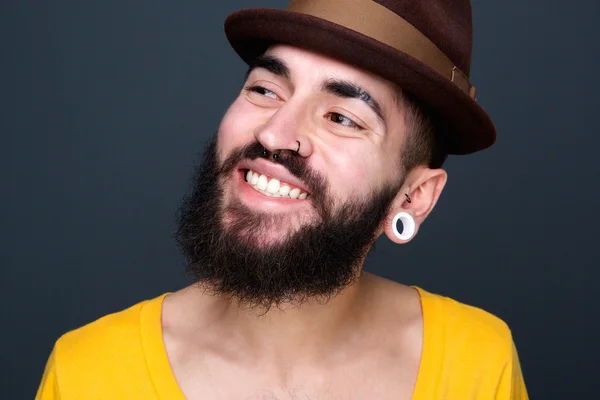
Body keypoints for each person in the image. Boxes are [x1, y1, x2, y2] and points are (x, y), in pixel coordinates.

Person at [36, 0, 529, 399]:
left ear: (414, 196)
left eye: (342, 118)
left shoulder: (479, 365)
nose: (275, 133)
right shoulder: (88, 373)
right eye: (266, 89)